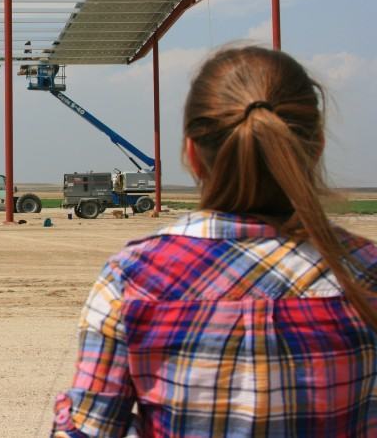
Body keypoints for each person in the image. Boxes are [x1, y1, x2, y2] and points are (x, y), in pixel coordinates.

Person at [52, 46, 377, 437]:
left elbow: (89, 429)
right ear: (317, 145)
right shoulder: (364, 273)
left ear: (192, 154)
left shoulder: (134, 278)